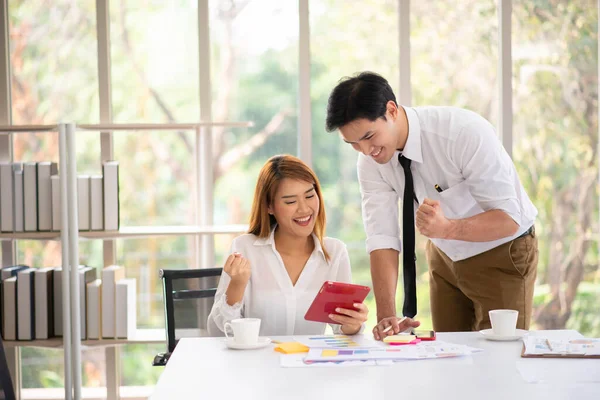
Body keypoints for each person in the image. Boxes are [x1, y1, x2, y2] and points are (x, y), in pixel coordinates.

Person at [325, 72, 538, 340]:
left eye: (369, 136)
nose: (366, 150)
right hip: (445, 255)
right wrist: (386, 314)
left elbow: (510, 218)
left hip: (501, 249)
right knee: (448, 355)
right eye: (353, 143)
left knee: (499, 356)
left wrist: (447, 228)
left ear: (391, 110)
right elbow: (382, 237)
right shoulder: (370, 161)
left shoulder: (462, 133)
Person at [208, 155, 417, 336]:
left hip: (310, 367)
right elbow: (219, 331)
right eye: (290, 202)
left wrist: (352, 324)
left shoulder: (334, 252)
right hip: (256, 368)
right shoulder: (245, 248)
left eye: (310, 195)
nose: (304, 209)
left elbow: (341, 330)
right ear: (269, 206)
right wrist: (237, 285)